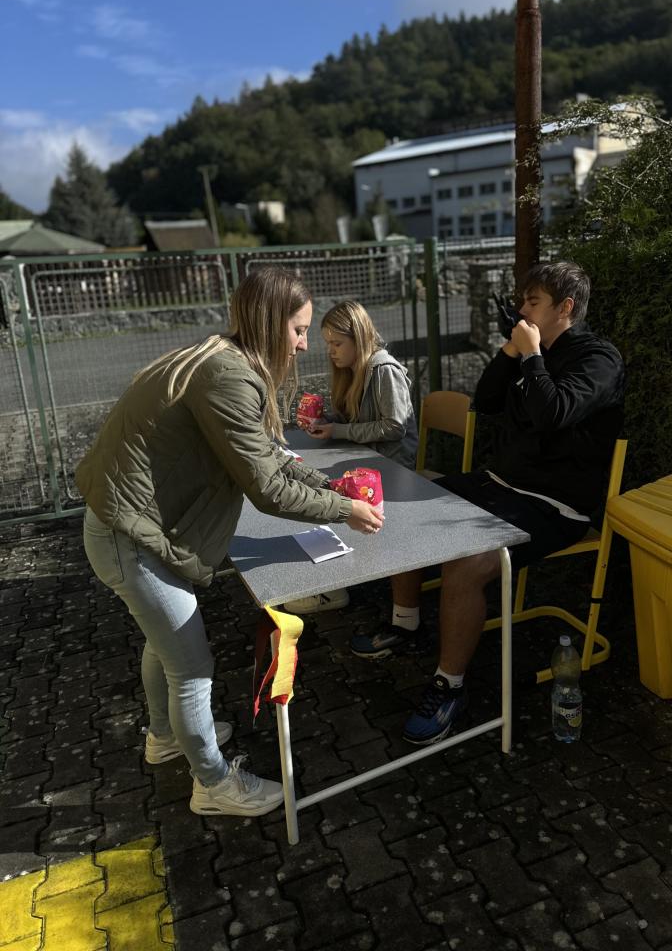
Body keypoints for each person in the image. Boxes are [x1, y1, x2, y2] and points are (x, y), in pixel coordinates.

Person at [76, 267, 383, 816]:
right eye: (298, 329)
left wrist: (327, 485)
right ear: (269, 322)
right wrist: (345, 509)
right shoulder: (229, 378)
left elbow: (267, 453)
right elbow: (267, 488)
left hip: (129, 529)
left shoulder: (221, 358)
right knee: (192, 669)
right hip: (131, 540)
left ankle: (165, 737)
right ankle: (213, 786)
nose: (304, 344)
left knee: (163, 646)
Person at [352, 260, 625, 745]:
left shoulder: (598, 359)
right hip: (499, 482)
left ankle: (449, 686)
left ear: (565, 307)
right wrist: (511, 352)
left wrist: (532, 356)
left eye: (533, 302)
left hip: (555, 504)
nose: (522, 310)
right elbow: (488, 401)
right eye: (522, 301)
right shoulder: (528, 353)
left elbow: (554, 413)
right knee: (402, 507)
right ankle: (406, 624)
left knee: (468, 561)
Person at [284, 299, 418, 615]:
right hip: (364, 462)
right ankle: (333, 578)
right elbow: (354, 420)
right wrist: (325, 420)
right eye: (328, 343)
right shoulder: (351, 371)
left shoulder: (384, 369)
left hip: (393, 469)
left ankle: (337, 583)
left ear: (359, 337)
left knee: (321, 496)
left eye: (337, 343)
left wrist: (338, 431)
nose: (330, 351)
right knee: (312, 485)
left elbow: (394, 427)